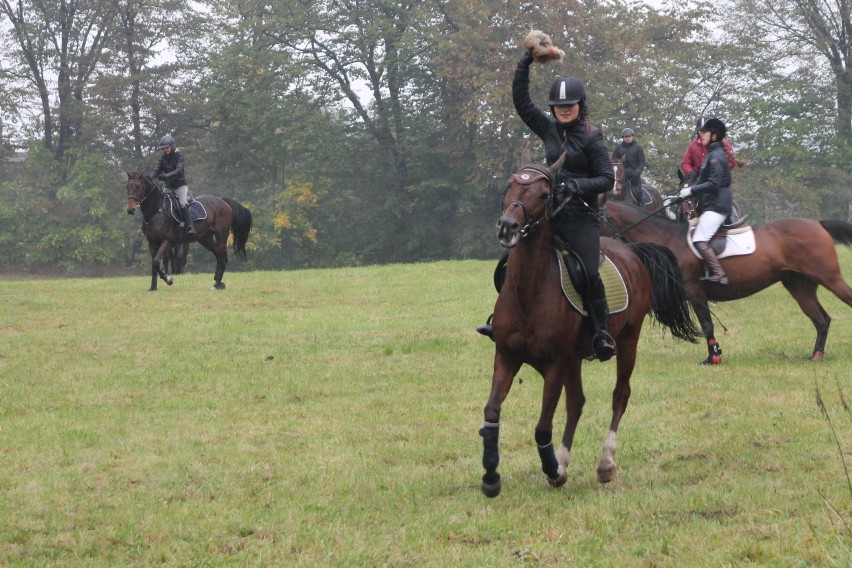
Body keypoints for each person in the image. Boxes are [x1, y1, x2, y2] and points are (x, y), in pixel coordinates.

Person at [476, 49, 617, 361]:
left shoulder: (593, 138)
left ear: (581, 105)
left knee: (587, 274)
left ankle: (599, 332)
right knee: (510, 263)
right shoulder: (549, 128)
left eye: (569, 105)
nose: (563, 110)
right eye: (558, 106)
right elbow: (522, 103)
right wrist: (525, 63)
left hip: (580, 218)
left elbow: (607, 178)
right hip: (549, 214)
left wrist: (578, 184)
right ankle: (501, 322)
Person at [678, 118, 732, 285]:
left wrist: (692, 190)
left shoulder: (715, 156)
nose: (702, 135)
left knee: (699, 239)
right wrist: (685, 192)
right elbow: (700, 177)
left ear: (714, 136)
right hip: (711, 203)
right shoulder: (712, 153)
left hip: (717, 205)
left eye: (705, 132)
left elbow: (714, 183)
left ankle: (719, 273)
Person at [151, 134, 195, 236]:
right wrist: (150, 178)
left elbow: (179, 170)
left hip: (180, 186)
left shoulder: (179, 155)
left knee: (182, 204)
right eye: (163, 148)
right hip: (169, 186)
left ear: (171, 146)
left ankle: (190, 226)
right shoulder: (162, 158)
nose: (165, 150)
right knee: (161, 205)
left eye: (167, 148)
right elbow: (157, 169)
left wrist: (166, 176)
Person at [681, 116, 739, 182]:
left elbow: (731, 162)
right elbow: (685, 163)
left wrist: (715, 171)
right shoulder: (692, 145)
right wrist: (691, 173)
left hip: (717, 180)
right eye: (700, 131)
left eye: (705, 131)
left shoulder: (724, 144)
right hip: (697, 180)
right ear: (697, 131)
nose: (702, 134)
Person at [611, 127, 646, 205]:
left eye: (629, 136)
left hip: (634, 175)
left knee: (640, 193)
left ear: (632, 136)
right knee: (611, 192)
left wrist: (637, 172)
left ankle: (642, 208)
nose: (628, 138)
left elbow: (642, 162)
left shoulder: (638, 148)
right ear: (623, 138)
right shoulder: (618, 148)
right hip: (621, 176)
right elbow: (614, 160)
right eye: (626, 137)